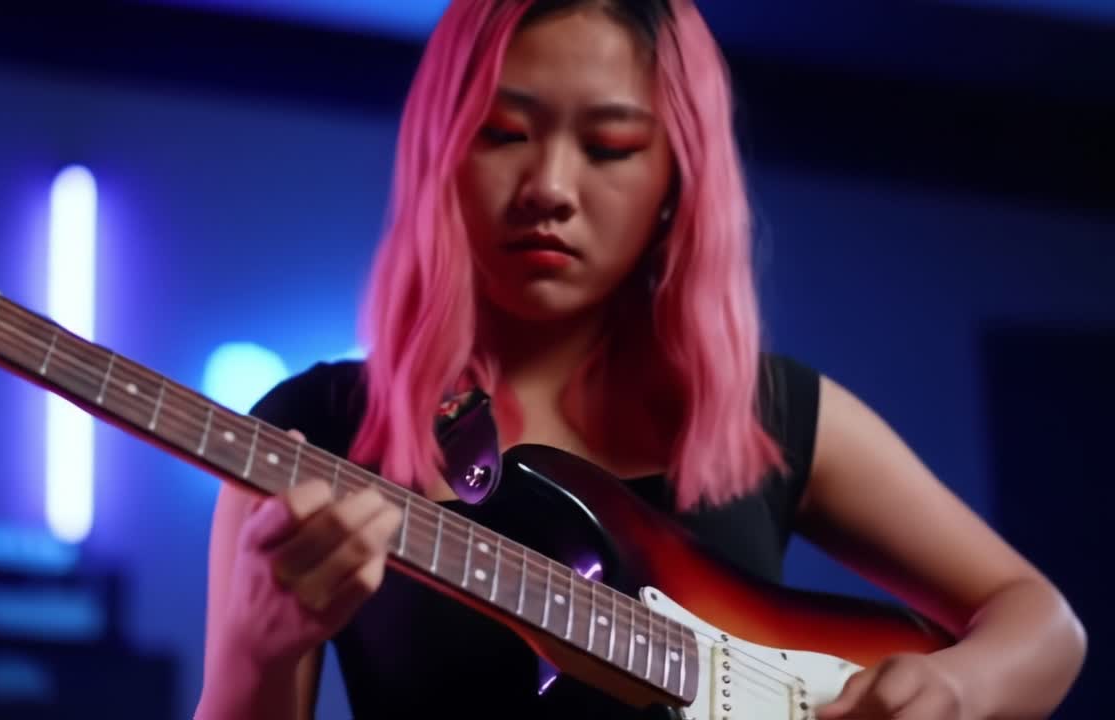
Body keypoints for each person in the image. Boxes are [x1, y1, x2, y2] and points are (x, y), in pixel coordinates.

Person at [194, 1, 1087, 718]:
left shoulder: (768, 412)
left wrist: (955, 690)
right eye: (503, 132)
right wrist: (255, 649)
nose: (549, 187)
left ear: (677, 183)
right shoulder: (309, 436)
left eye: (611, 147)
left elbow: (1045, 624)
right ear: (441, 153)